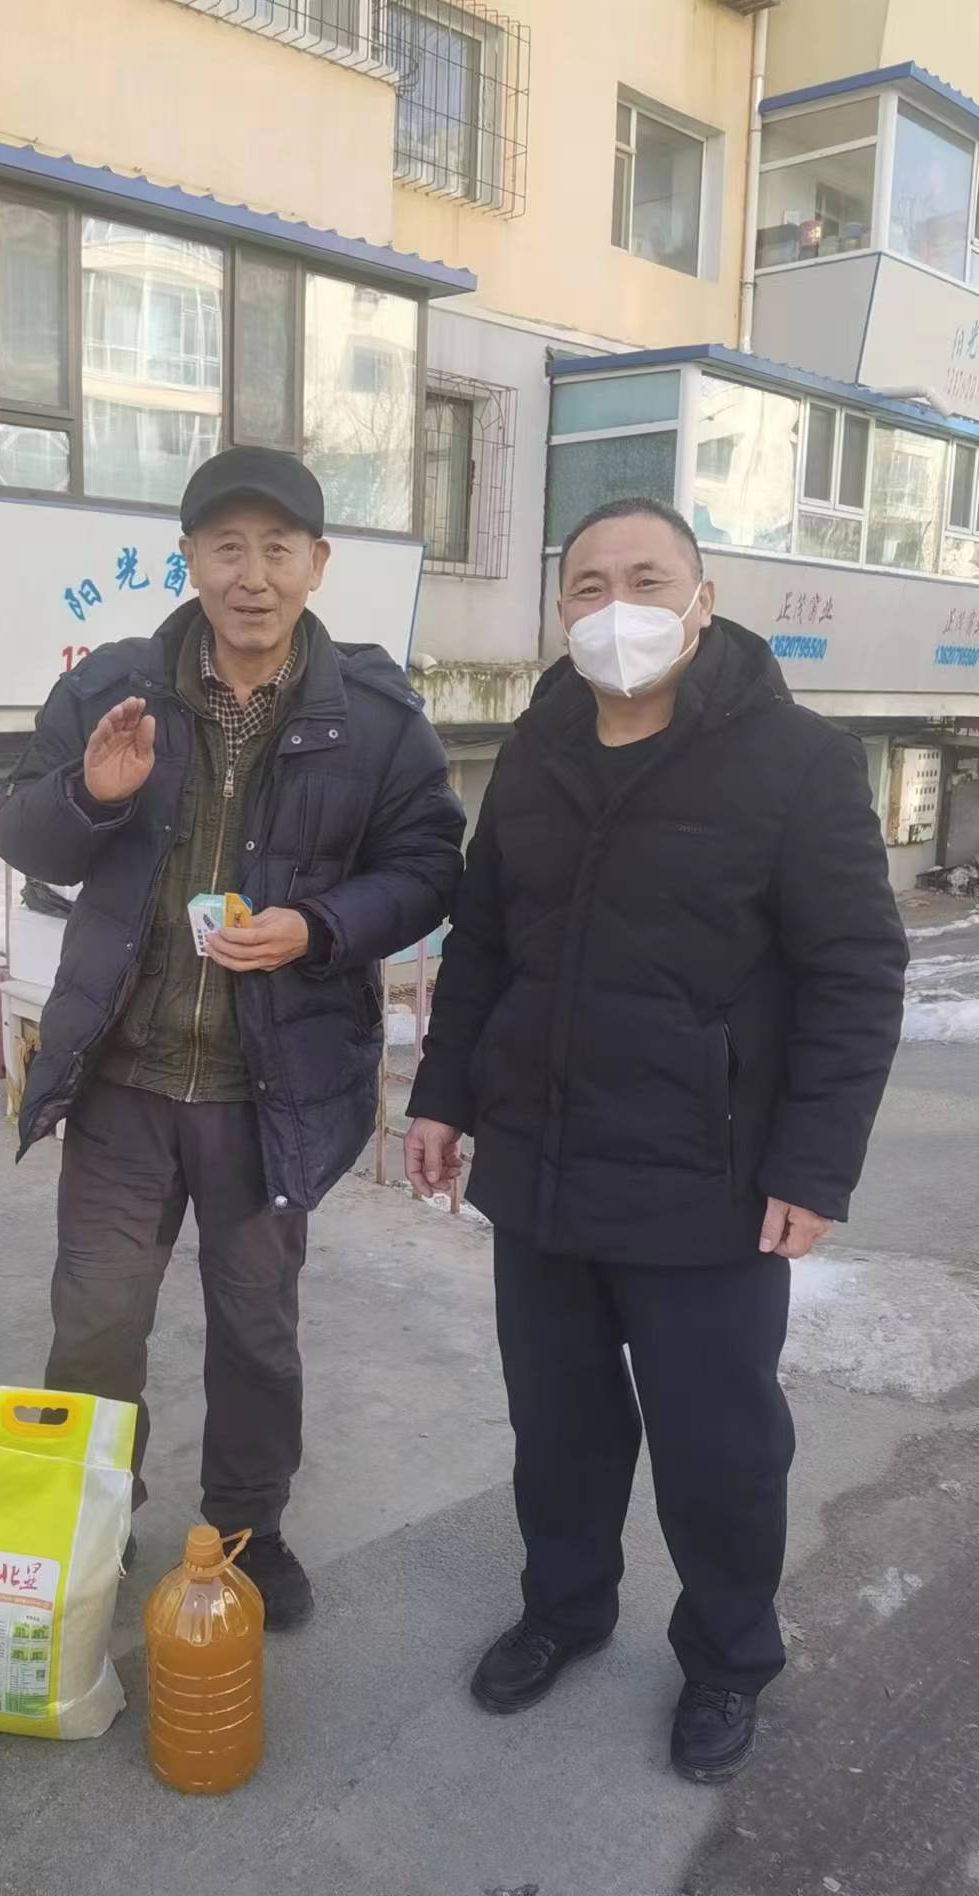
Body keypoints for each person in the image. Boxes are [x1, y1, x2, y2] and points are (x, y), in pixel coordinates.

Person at [405, 497, 907, 1780]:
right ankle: (563, 1610)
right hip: (542, 1172)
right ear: (559, 607)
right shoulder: (535, 750)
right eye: (587, 584)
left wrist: (812, 1167)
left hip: (709, 1184)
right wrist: (443, 1095)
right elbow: (484, 943)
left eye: (644, 579)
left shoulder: (793, 759)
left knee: (718, 1450)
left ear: (700, 599)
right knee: (557, 1429)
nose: (614, 606)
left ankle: (727, 1659)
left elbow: (853, 974)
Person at [0, 446, 464, 1629]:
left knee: (256, 1329)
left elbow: (427, 868)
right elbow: (22, 832)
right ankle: (89, 1522)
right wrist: (92, 795)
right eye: (226, 548)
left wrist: (319, 926)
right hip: (123, 1076)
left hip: (271, 1090)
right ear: (190, 559)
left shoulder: (373, 718)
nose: (251, 576)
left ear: (316, 563)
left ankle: (248, 1531)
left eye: (276, 549)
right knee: (95, 1318)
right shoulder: (113, 687)